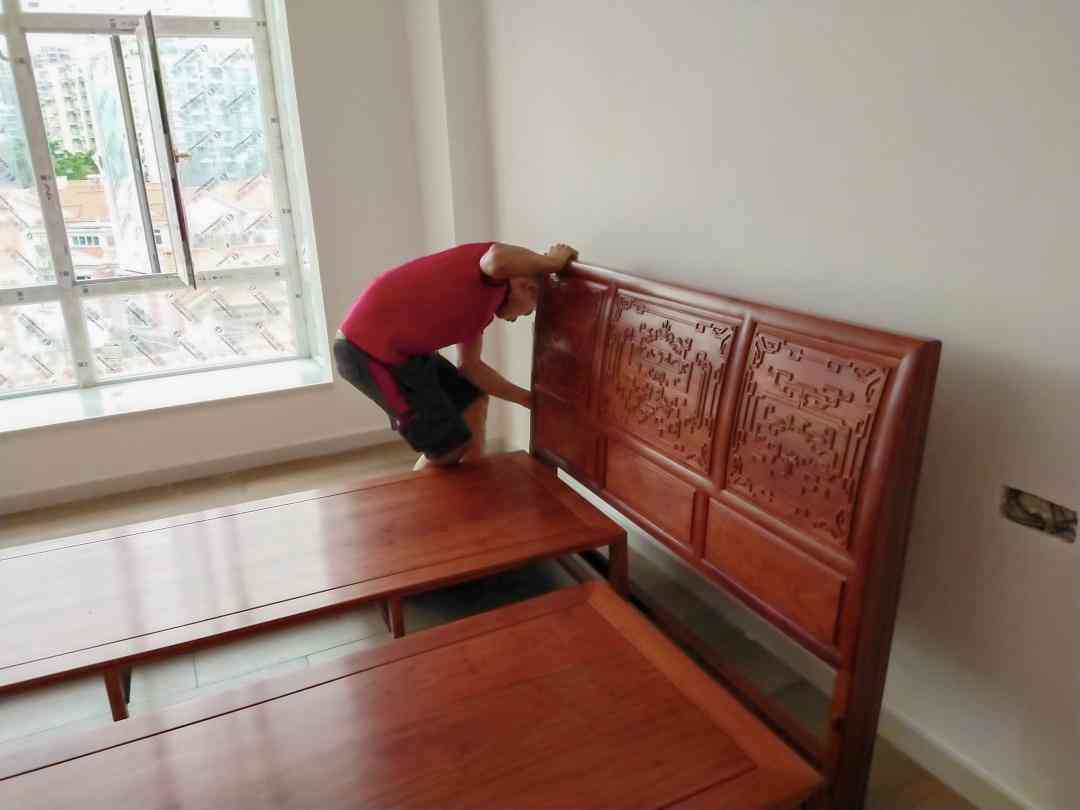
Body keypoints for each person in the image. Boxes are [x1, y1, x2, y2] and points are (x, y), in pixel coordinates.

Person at [333, 241, 578, 470]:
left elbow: (471, 368)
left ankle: (472, 490)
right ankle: (425, 502)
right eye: (526, 313)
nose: (515, 319)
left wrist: (529, 400)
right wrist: (553, 263)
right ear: (527, 288)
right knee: (447, 448)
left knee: (472, 403)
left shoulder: (482, 309)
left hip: (405, 353)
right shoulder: (494, 279)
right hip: (366, 352)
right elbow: (497, 259)